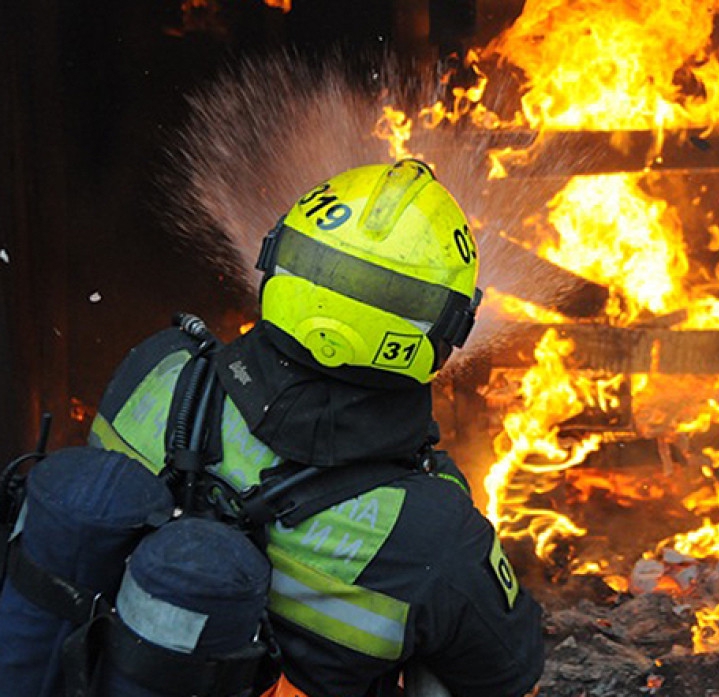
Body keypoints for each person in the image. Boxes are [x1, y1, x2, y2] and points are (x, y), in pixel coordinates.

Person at [85, 159, 545, 697]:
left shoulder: (158, 368)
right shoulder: (434, 534)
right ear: (443, 334)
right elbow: (511, 674)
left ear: (278, 263)